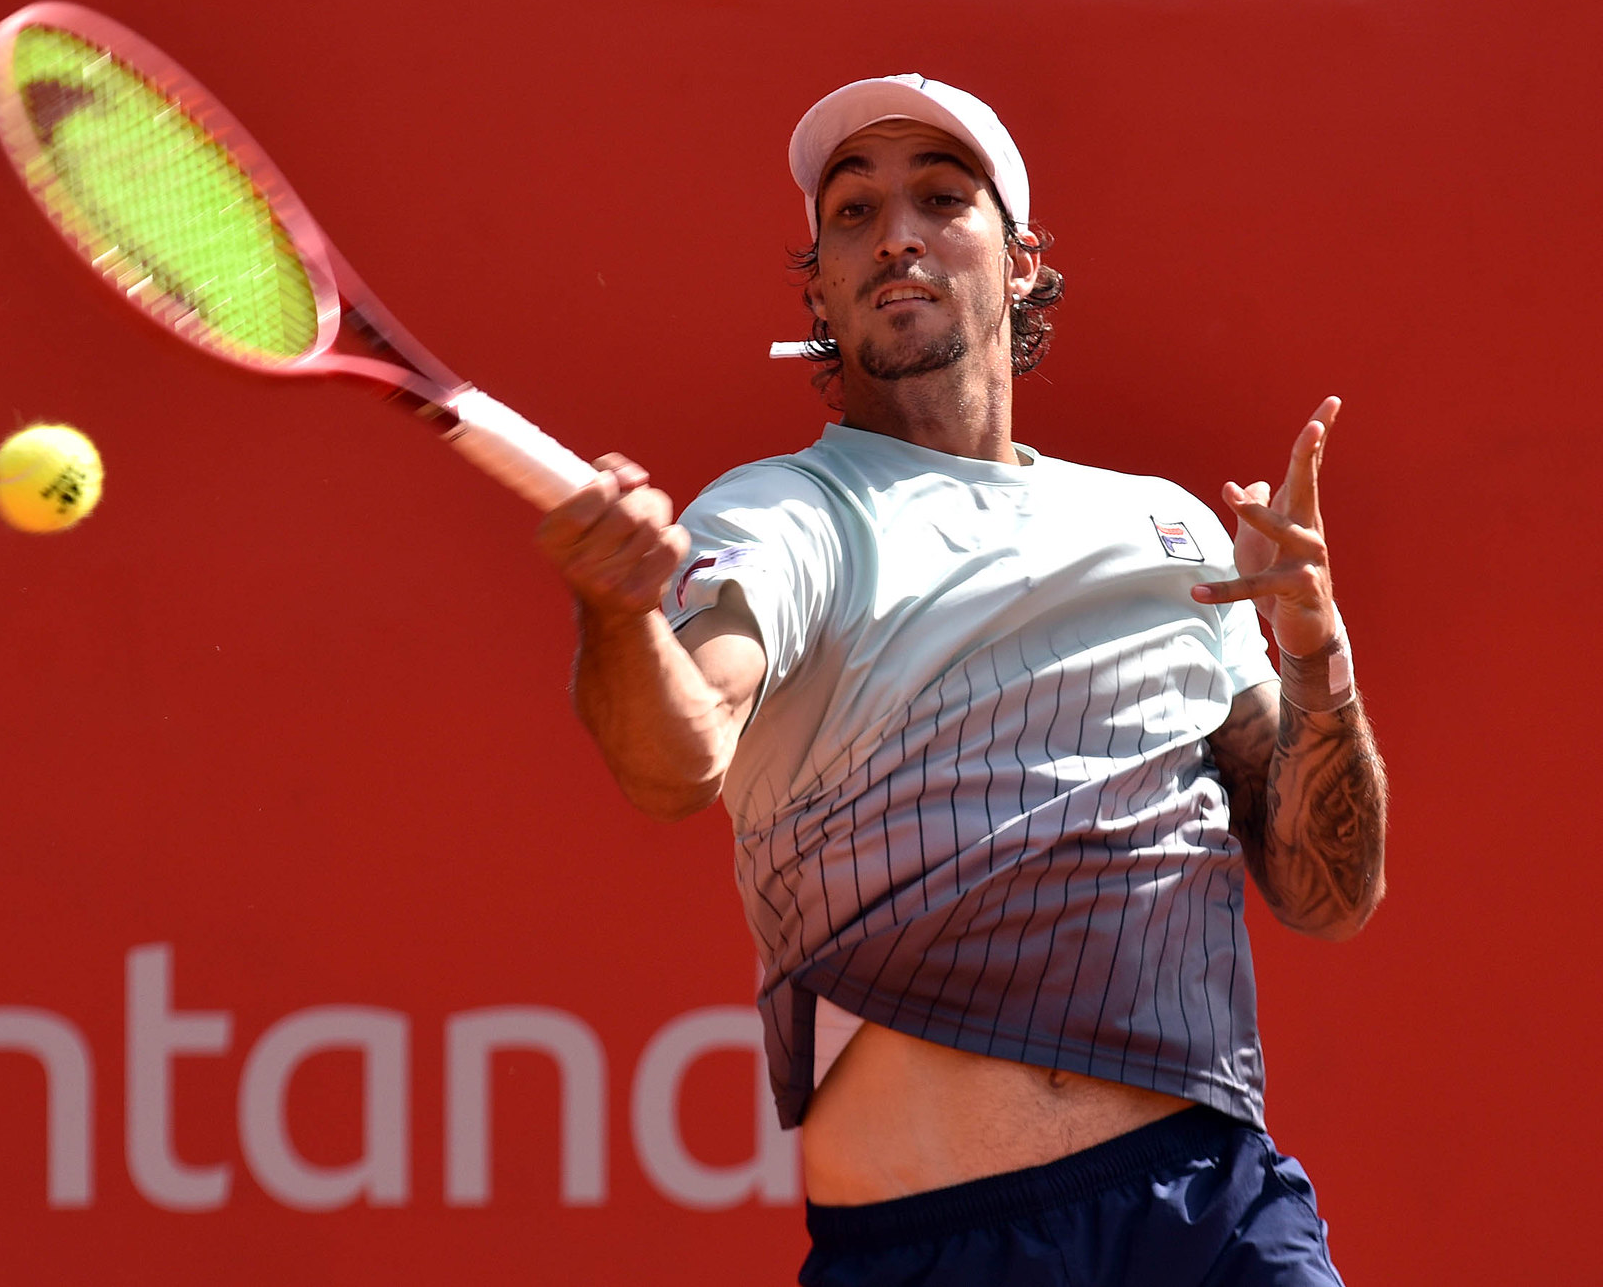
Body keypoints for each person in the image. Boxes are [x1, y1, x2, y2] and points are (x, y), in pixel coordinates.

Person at [536, 75, 1388, 1286]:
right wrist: (614, 615)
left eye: (940, 198)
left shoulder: (1168, 530)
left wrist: (1316, 659)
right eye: (850, 213)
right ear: (818, 286)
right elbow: (674, 759)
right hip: (931, 1249)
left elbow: (1324, 891)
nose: (894, 234)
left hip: (1212, 1215)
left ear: (1023, 260)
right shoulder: (783, 518)